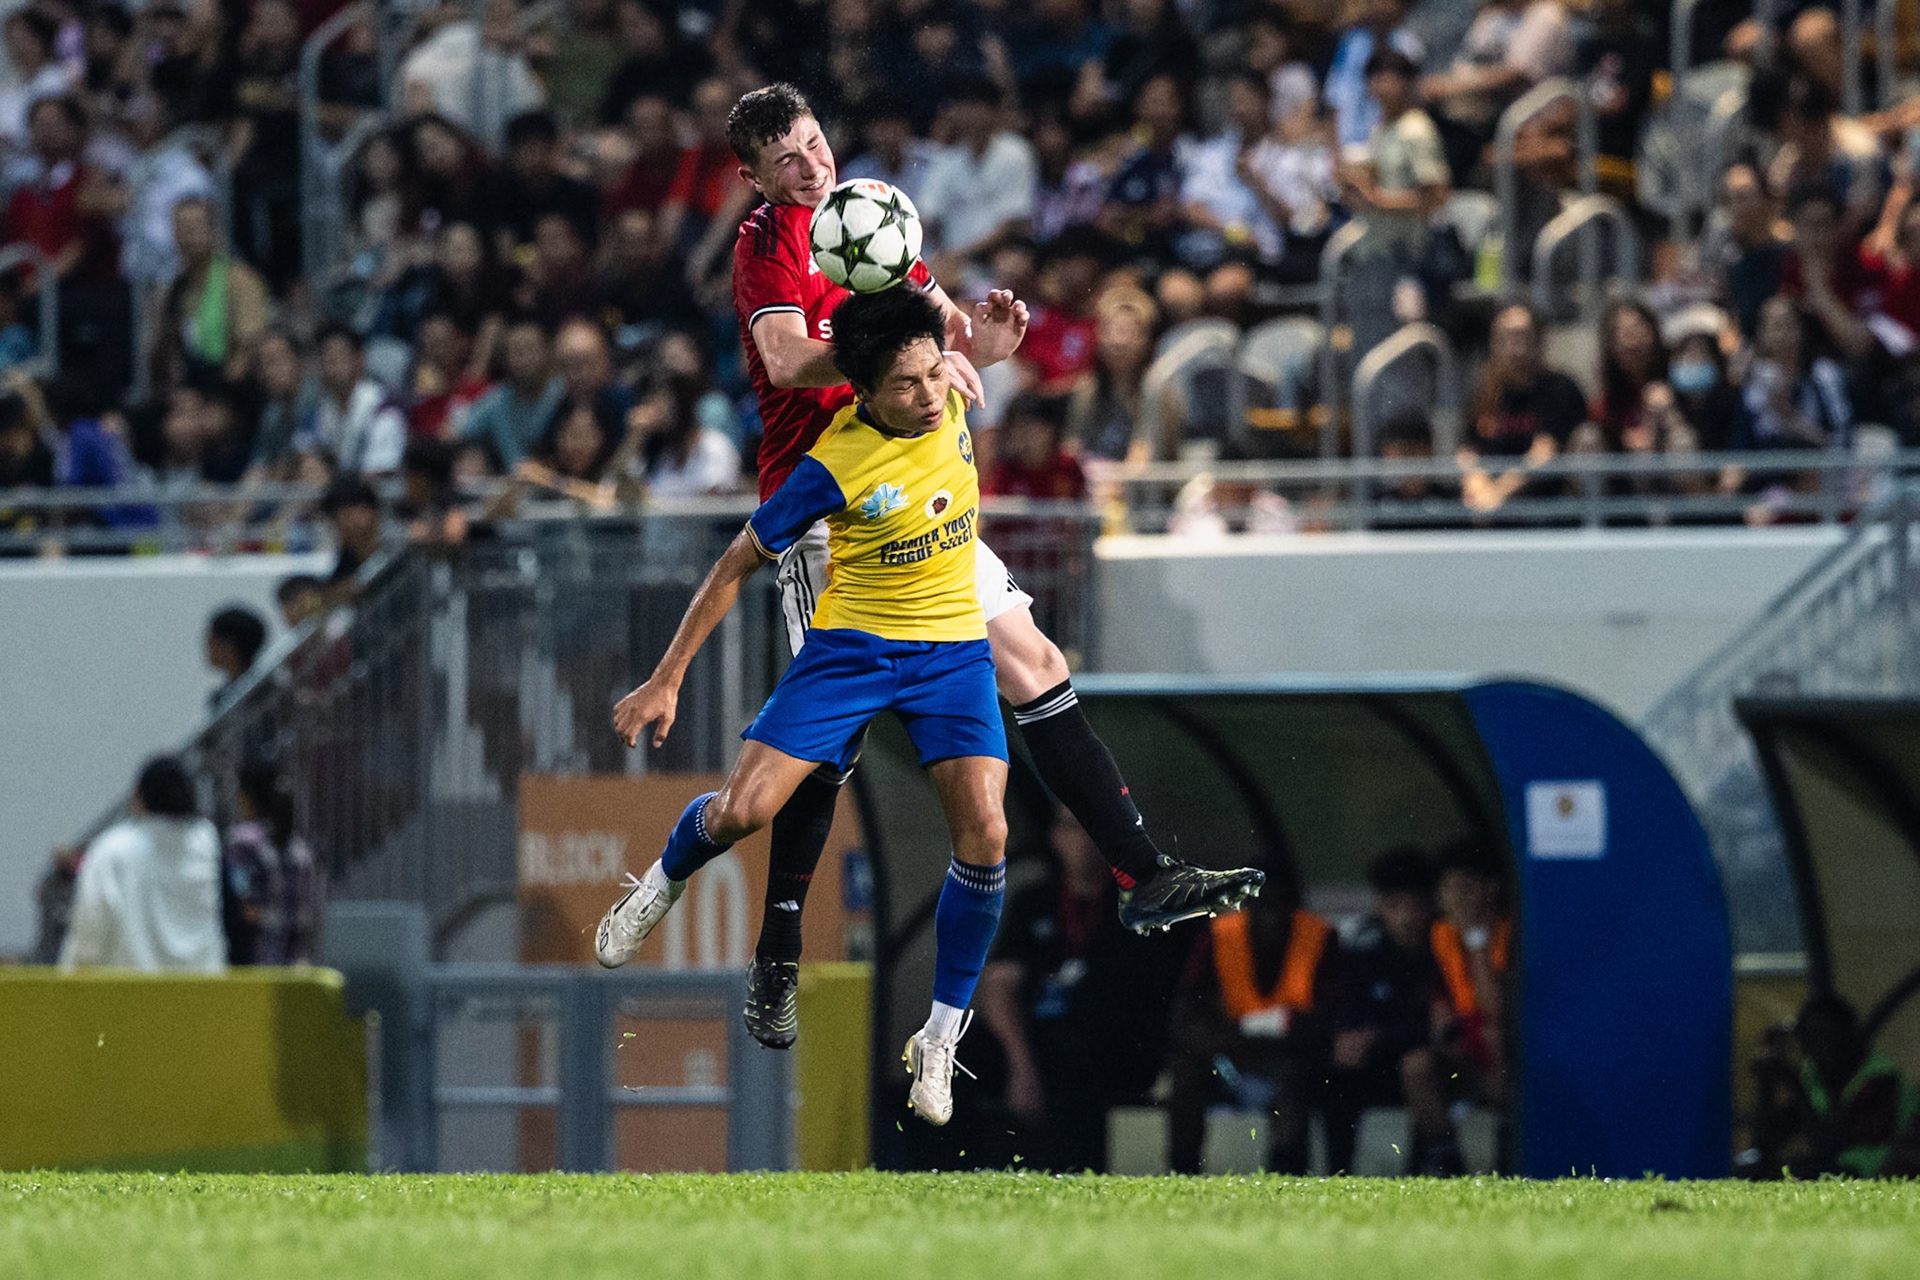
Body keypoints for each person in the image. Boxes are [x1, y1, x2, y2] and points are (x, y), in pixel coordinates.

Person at [720, 82, 1262, 1056]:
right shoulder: (765, 246)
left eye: (815, 143)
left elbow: (936, 324)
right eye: (789, 160)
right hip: (828, 512)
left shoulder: (870, 214)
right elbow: (794, 361)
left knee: (1036, 659)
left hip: (917, 491)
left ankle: (1144, 875)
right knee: (825, 748)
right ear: (754, 177)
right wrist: (891, 344)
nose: (813, 166)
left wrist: (980, 335)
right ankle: (779, 945)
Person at [594, 288, 1015, 1127]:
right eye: (906, 385)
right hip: (852, 650)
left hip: (952, 652)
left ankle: (937, 1037)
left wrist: (991, 340)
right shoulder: (836, 465)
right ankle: (661, 882)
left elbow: (966, 355)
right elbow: (734, 564)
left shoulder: (954, 388)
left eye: (935, 374)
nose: (929, 395)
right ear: (862, 389)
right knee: (744, 813)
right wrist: (667, 676)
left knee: (988, 832)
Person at [976, 807, 1186, 1171]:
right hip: (1037, 1037)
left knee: (1080, 1049)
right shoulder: (1034, 902)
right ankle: (955, 1169)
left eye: (1093, 829)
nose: (1083, 842)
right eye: (1072, 829)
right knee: (963, 1053)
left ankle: (1073, 1175)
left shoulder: (1140, 907)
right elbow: (998, 987)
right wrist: (1020, 1062)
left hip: (1107, 1045)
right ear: (1056, 838)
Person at [1165, 873, 1334, 1174]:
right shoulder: (1218, 937)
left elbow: (1330, 1018)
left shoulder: (1319, 938)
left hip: (1287, 1062)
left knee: (1295, 1083)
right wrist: (1222, 1039)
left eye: (1280, 905)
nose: (1271, 917)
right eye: (1262, 905)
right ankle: (1183, 1172)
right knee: (1187, 1071)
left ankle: (1287, 1179)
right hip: (1229, 1062)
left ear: (1294, 909)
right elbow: (1185, 1014)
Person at [1323, 848, 1452, 1174]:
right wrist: (1346, 1037)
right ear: (1380, 905)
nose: (1406, 918)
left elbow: (1440, 1024)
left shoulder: (1443, 949)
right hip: (1377, 1064)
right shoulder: (1362, 949)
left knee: (1417, 1065)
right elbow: (1346, 1010)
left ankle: (1437, 1167)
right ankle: (1338, 1174)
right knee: (1334, 1069)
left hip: (1433, 1063)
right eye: (1396, 906)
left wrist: (1378, 1034)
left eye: (1415, 906)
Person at [58, 755, 225, 974]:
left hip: (131, 996)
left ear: (139, 797)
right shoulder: (205, 842)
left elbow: (91, 925)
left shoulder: (113, 850)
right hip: (204, 996)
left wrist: (70, 981)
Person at [222, 762, 318, 965]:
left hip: (256, 964)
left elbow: (242, 905)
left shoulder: (241, 843)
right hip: (296, 963)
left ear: (246, 799)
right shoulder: (301, 850)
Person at [303, 325, 407, 476]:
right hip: (339, 491)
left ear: (358, 359)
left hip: (376, 495)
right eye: (324, 359)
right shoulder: (323, 408)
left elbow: (380, 471)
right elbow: (304, 451)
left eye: (336, 358)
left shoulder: (383, 406)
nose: (330, 368)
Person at [461, 320, 563, 469]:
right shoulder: (498, 399)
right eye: (516, 352)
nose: (525, 359)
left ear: (548, 352)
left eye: (531, 349)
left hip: (559, 482)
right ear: (505, 359)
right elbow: (454, 431)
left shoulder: (563, 392)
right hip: (511, 485)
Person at [206, 604, 268, 697]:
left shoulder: (267, 685)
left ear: (229, 646)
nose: (208, 647)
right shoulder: (219, 698)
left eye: (212, 641)